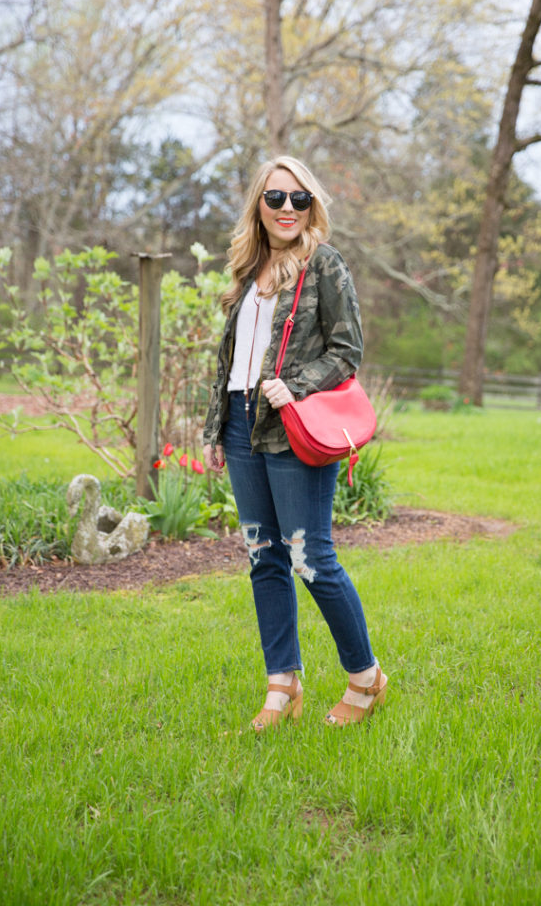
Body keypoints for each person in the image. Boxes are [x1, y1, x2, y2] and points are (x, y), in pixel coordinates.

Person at [203, 155, 387, 731]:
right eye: (276, 197)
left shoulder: (323, 263)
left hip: (292, 425)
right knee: (264, 557)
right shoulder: (247, 267)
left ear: (312, 206)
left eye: (299, 198)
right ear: (258, 204)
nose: (287, 208)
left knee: (311, 559)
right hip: (241, 424)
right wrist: (216, 427)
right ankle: (282, 685)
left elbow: (347, 351)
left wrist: (297, 385)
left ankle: (366, 678)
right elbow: (232, 360)